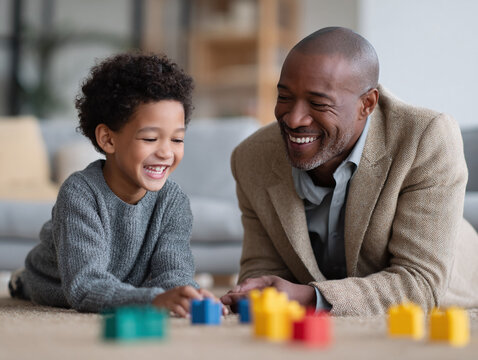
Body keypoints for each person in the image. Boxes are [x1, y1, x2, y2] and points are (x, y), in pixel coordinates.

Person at [220, 27, 478, 315]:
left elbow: (419, 283)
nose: (293, 119)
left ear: (366, 104)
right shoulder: (251, 158)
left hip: (446, 305)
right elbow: (263, 268)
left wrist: (310, 297)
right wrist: (255, 292)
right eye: (284, 97)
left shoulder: (426, 138)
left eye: (318, 103)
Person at [9, 52, 222, 316]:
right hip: (57, 281)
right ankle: (22, 279)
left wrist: (189, 294)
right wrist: (153, 300)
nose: (167, 152)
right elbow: (84, 288)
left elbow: (174, 274)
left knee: (134, 289)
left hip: (122, 283)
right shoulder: (80, 193)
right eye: (150, 139)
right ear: (108, 139)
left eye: (177, 140)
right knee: (53, 287)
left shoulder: (174, 202)